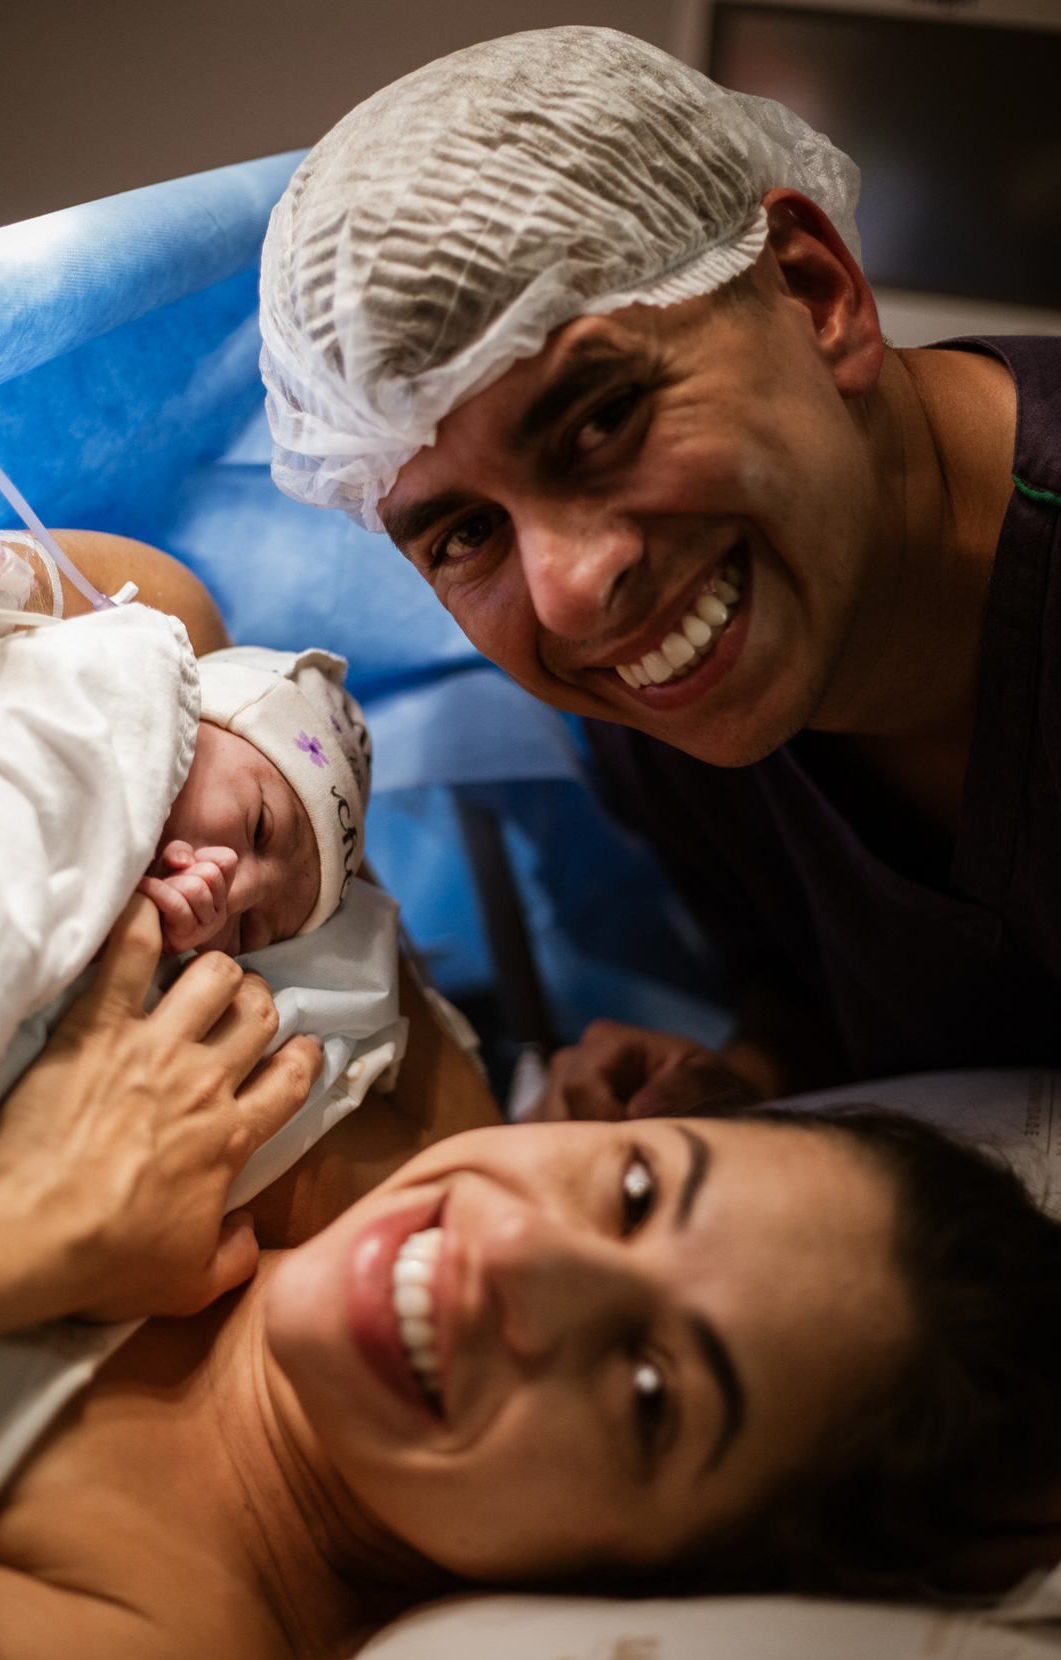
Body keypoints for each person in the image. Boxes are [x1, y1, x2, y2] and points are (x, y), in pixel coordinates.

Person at [247, 25, 1061, 1120]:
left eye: (602, 420)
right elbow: (859, 990)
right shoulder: (683, 697)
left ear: (814, 290)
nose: (573, 591)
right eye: (466, 534)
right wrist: (747, 1082)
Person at [0, 1058, 1061, 1660]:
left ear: (658, 1583)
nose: (520, 1255)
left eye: (650, 1394)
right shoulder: (396, 1086)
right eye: (636, 1191)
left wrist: (33, 1222)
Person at [0, 526, 379, 1190]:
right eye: (259, 826)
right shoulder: (133, 674)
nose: (238, 889)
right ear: (206, 718)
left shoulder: (141, 964)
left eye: (253, 930)